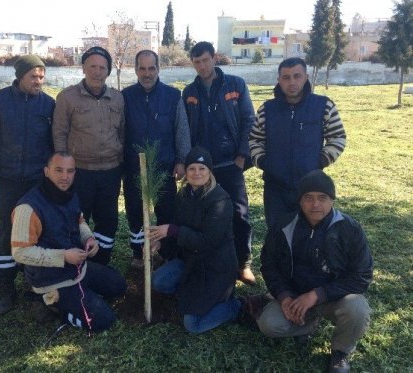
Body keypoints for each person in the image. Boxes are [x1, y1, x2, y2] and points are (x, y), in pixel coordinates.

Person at [254, 170, 372, 373]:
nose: (315, 204)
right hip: (294, 295)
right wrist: (284, 297)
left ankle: (340, 353)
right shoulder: (283, 226)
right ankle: (308, 323)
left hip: (334, 297)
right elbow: (269, 265)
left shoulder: (350, 229)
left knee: (358, 309)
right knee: (269, 325)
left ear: (332, 200)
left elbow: (362, 275)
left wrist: (317, 295)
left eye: (322, 198)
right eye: (308, 198)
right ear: (300, 201)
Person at [11, 152, 127, 332]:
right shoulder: (28, 208)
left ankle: (80, 296)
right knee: (103, 321)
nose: (65, 176)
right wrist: (63, 256)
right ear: (46, 171)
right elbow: (20, 253)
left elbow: (79, 221)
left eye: (70, 171)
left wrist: (88, 239)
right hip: (52, 280)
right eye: (59, 170)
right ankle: (51, 302)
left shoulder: (70, 194)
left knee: (119, 286)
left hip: (78, 269)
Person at [0, 54, 55, 316]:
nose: (38, 81)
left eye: (42, 76)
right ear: (20, 76)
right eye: (33, 76)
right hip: (8, 179)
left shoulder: (48, 105)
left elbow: (54, 144)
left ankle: (35, 286)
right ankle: (6, 289)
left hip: (37, 180)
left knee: (36, 233)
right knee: (6, 233)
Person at [182, 41, 256, 285]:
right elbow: (185, 129)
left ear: (214, 58)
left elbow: (248, 120)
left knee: (239, 213)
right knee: (203, 215)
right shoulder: (189, 92)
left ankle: (243, 263)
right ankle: (209, 260)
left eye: (205, 60)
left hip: (230, 164)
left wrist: (242, 156)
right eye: (197, 62)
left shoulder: (235, 85)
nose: (202, 66)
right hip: (202, 169)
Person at [150, 147, 243, 334]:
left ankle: (236, 306)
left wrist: (172, 230)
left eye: (202, 168)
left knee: (193, 324)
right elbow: (176, 228)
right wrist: (161, 242)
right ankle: (190, 295)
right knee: (159, 281)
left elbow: (208, 242)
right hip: (189, 260)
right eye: (192, 168)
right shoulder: (183, 195)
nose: (197, 173)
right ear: (186, 171)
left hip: (214, 268)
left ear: (210, 171)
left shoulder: (220, 200)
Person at [249, 57, 347, 230]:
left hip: (311, 188)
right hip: (275, 187)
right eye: (286, 77)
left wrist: (319, 162)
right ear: (279, 80)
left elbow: (337, 137)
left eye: (297, 76)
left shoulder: (323, 105)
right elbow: (255, 140)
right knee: (277, 234)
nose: (292, 82)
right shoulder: (267, 109)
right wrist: (265, 163)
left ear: (306, 77)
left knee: (310, 234)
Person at [53, 46, 124, 266]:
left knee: (108, 220)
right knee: (76, 218)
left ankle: (100, 263)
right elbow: (59, 133)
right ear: (83, 68)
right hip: (79, 172)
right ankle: (77, 263)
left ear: (108, 71)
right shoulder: (67, 98)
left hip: (110, 171)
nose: (97, 72)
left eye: (102, 67)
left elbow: (122, 131)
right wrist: (63, 170)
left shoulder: (118, 98)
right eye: (92, 66)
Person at [122, 50, 191, 268]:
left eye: (151, 68)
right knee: (135, 211)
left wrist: (181, 160)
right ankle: (139, 253)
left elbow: (181, 130)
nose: (147, 73)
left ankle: (167, 253)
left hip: (164, 167)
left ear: (158, 69)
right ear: (135, 70)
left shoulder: (172, 96)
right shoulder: (125, 96)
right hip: (133, 167)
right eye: (142, 68)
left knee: (166, 211)